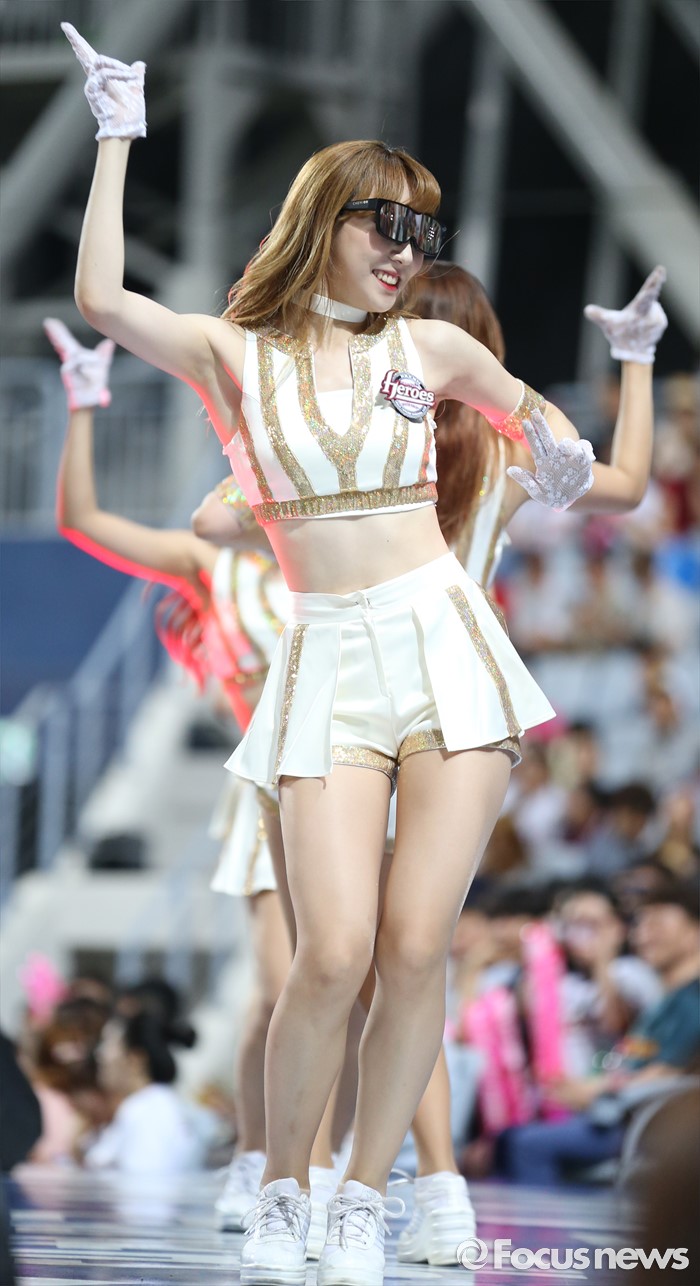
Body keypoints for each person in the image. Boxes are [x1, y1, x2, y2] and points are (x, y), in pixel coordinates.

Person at [62, 25, 667, 1285]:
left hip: (444, 645)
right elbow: (106, 303)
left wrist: (573, 433)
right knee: (328, 951)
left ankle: (359, 1199)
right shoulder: (238, 355)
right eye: (383, 222)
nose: (404, 249)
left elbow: (560, 448)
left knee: (413, 949)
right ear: (323, 218)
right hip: (326, 656)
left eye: (420, 232)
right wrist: (117, 131)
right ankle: (283, 1187)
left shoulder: (430, 351)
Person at [498, 882, 700, 1186]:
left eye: (657, 925)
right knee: (511, 1138)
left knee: (527, 1145)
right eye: (641, 924)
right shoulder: (668, 1000)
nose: (643, 936)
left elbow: (666, 1074)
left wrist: (594, 1091)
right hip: (621, 1114)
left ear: (695, 933)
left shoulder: (693, 1001)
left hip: (644, 1123)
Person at [83, 1011, 204, 1176]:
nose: (100, 1054)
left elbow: (147, 1178)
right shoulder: (151, 1105)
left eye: (108, 1043)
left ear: (136, 1059)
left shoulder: (147, 1111)